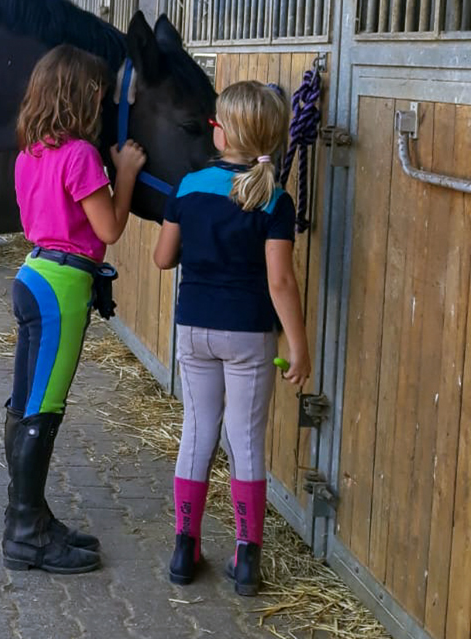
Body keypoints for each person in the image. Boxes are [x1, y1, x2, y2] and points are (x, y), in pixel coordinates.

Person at [153, 80, 311, 597]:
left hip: (193, 328)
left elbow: (161, 258)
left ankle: (184, 547)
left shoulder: (190, 185)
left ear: (222, 134)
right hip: (247, 333)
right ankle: (246, 558)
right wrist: (298, 343)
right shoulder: (275, 198)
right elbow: (280, 281)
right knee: (244, 440)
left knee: (197, 430)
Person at [4, 45, 147, 574]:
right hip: (62, 287)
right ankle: (24, 534)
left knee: (25, 403)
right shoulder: (82, 156)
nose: (104, 104)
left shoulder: (28, 155)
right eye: (100, 94)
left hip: (33, 273)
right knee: (44, 409)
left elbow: (33, 222)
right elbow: (108, 229)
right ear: (84, 95)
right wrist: (125, 172)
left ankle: (31, 516)